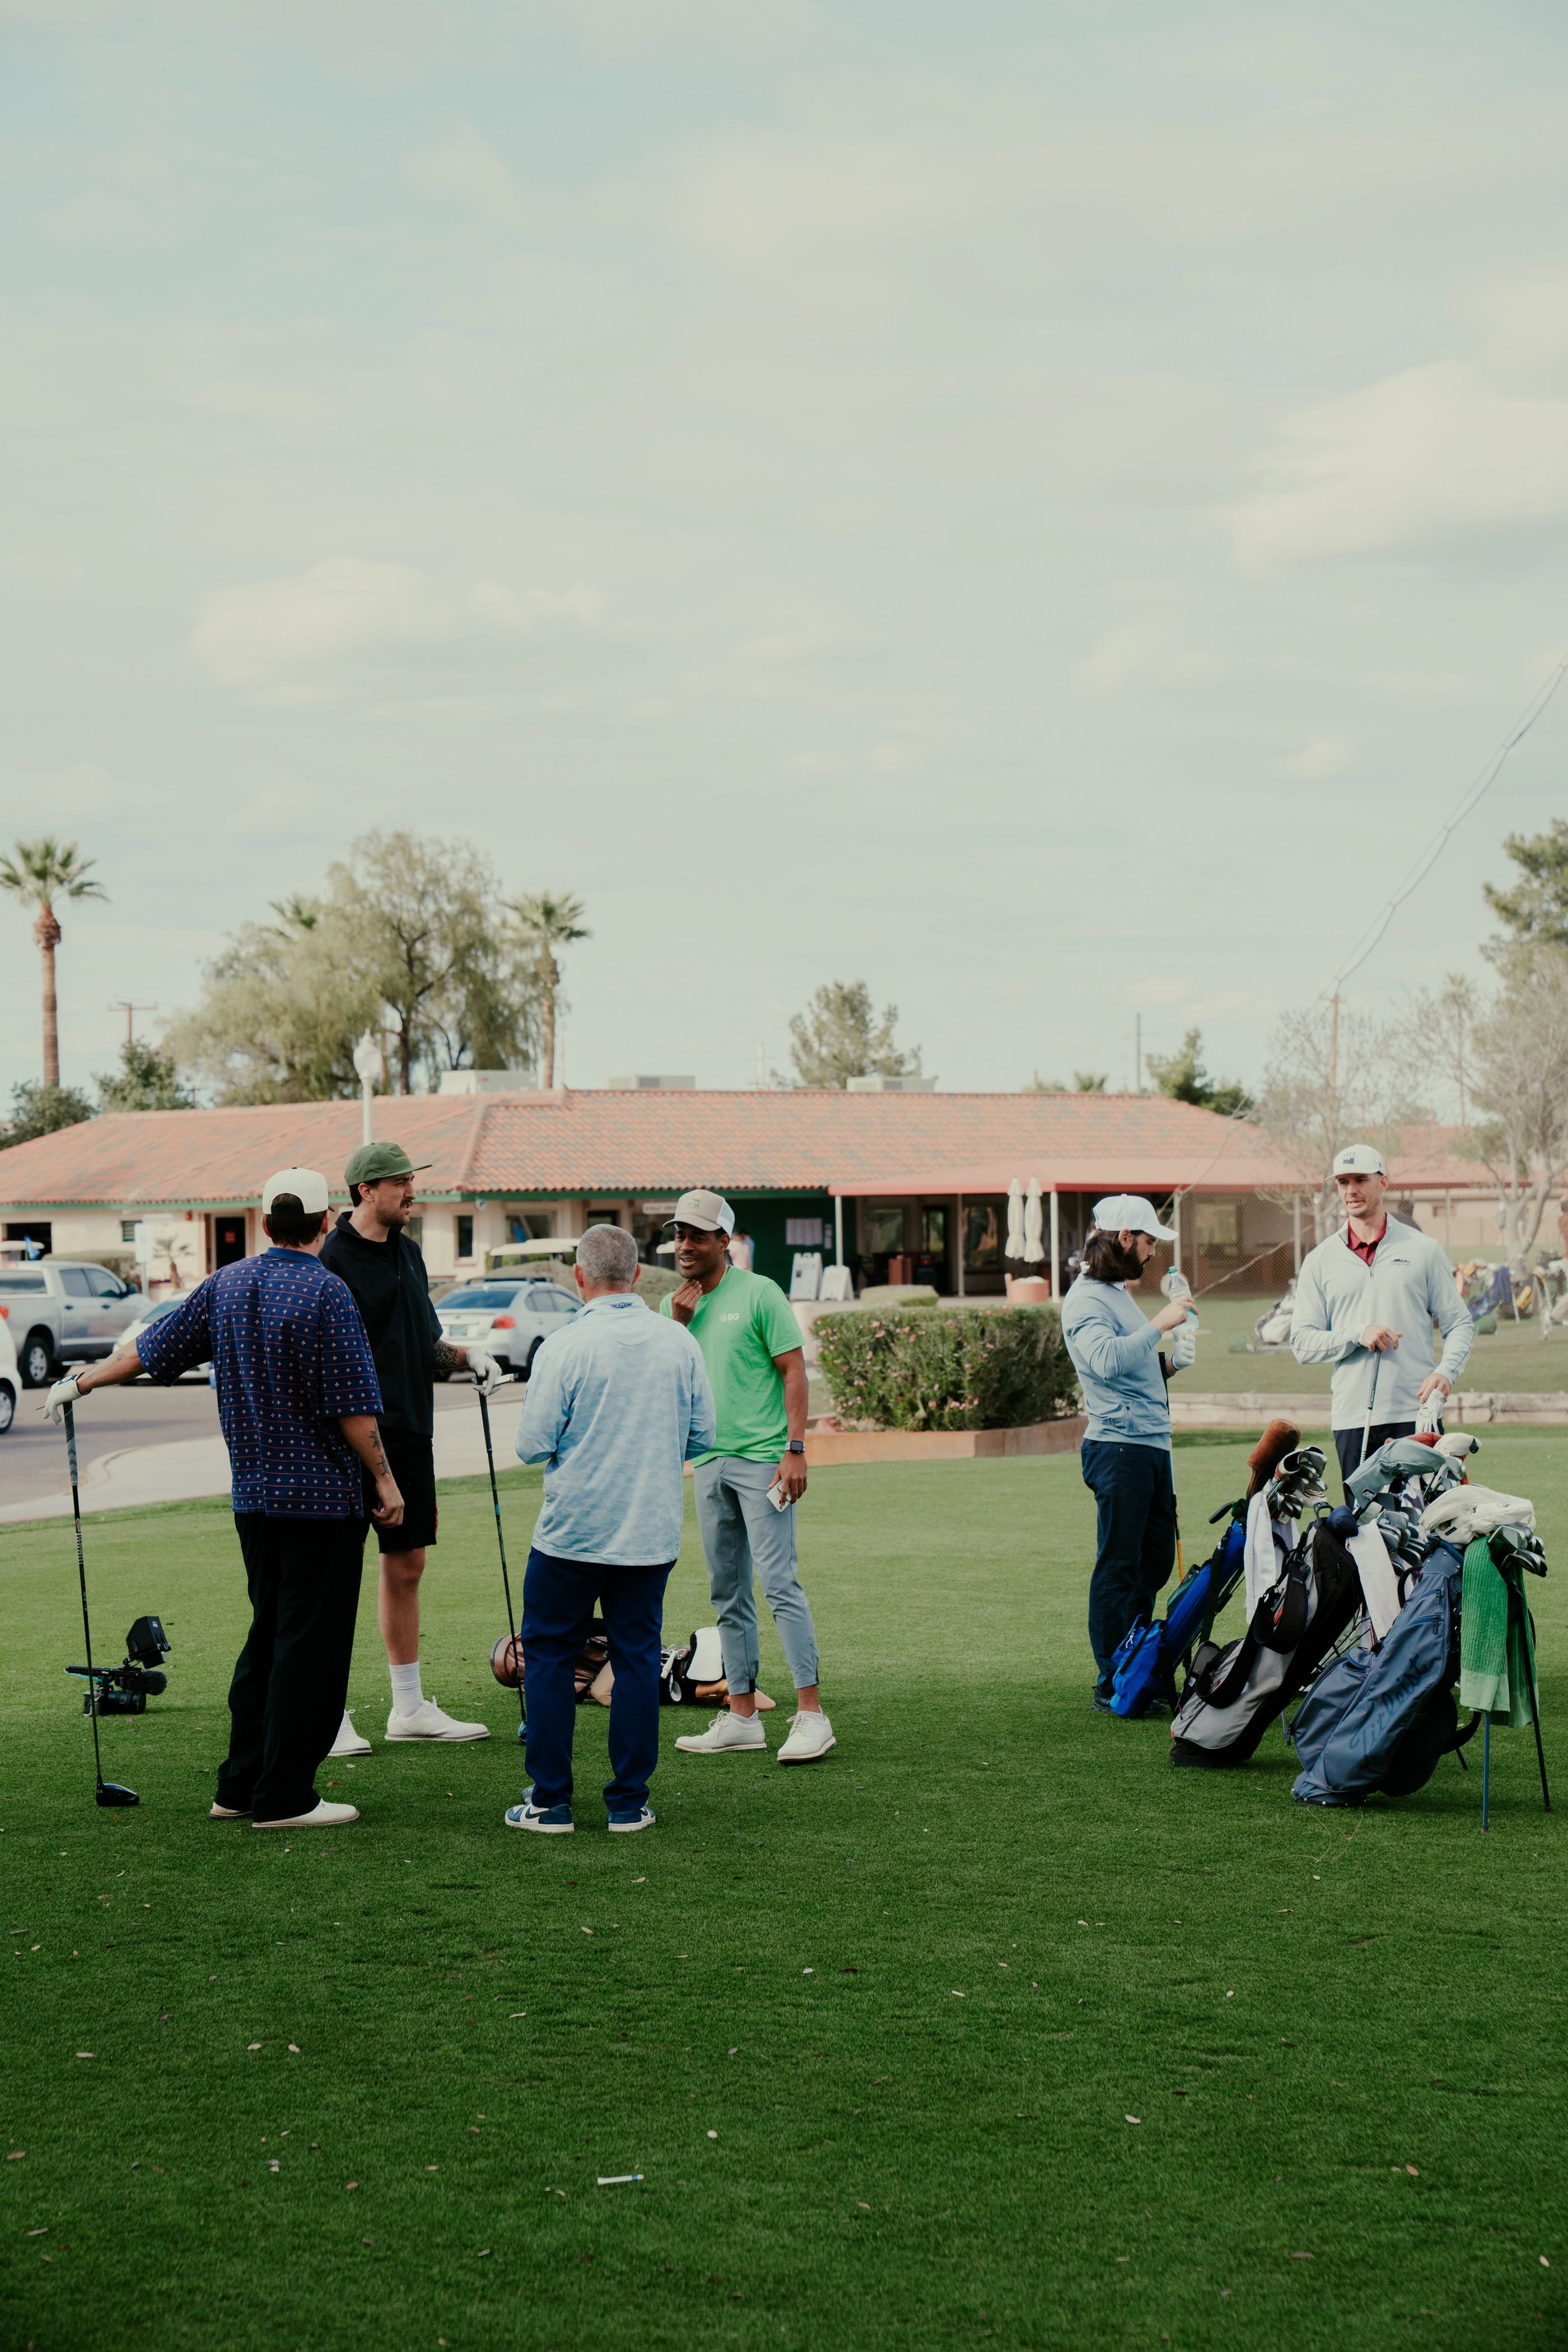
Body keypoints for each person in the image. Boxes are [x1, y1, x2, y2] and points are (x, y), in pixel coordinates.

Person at [44, 1168, 400, 1831]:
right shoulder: (330, 1291)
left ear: (264, 1223)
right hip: (321, 1505)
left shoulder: (226, 1284)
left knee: (268, 1640)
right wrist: (385, 1479)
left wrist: (83, 1382)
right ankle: (285, 1797)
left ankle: (239, 1786)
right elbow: (352, 1408)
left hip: (255, 1503)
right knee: (308, 1651)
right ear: (326, 1223)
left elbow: (150, 1350)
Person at [506, 1223, 715, 1833]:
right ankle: (628, 1802)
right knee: (636, 1659)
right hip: (648, 1533)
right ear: (636, 1275)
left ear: (579, 1276)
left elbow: (531, 1445)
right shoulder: (678, 1342)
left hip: (571, 1533)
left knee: (548, 1657)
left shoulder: (564, 1346)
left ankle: (550, 1802)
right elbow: (702, 1435)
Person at [320, 1140, 506, 1752]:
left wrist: (470, 1356)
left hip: (411, 1431)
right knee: (337, 1573)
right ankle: (325, 1715)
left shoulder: (409, 1251)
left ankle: (408, 1708)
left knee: (408, 1564)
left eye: (410, 1180)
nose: (412, 1191)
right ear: (366, 1191)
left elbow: (426, 1345)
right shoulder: (332, 1257)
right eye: (400, 1182)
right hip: (350, 1434)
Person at [658, 1189, 836, 1764]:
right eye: (680, 1234)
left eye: (696, 1235)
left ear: (723, 1241)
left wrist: (795, 1449)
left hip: (764, 1462)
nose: (685, 1245)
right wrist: (679, 1325)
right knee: (727, 1592)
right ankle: (741, 1716)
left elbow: (793, 1372)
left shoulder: (760, 1293)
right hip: (707, 1462)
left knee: (780, 1584)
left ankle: (811, 1716)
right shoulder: (672, 1307)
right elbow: (668, 1380)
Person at [1060, 1194, 1197, 1712]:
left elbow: (1134, 1363)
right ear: (1125, 1238)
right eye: (1148, 1242)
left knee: (1153, 1561)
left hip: (1149, 1445)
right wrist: (1161, 1323)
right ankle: (1112, 1679)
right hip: (1119, 1447)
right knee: (1120, 1565)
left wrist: (1172, 1364)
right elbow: (1106, 1361)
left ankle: (1136, 1664)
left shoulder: (1115, 1293)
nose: (1152, 1252)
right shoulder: (1086, 1300)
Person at [1290, 1144, 1472, 1490]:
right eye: (1343, 1182)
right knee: (1364, 1523)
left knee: (1427, 1521)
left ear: (1383, 1183)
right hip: (1353, 1418)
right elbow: (1301, 1343)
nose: (1351, 1190)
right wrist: (1356, 1334)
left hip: (1417, 1414)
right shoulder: (1319, 1260)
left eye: (1361, 1180)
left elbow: (1459, 1324)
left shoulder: (1423, 1249)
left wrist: (1446, 1372)